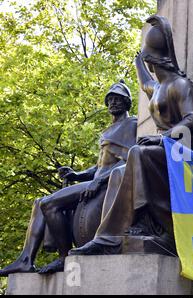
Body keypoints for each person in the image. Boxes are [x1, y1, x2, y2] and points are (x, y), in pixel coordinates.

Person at [69, 15, 193, 256]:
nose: (151, 69)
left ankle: (144, 222)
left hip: (179, 150)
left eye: (149, 61)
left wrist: (162, 137)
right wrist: (137, 62)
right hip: (162, 150)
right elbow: (144, 84)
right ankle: (109, 236)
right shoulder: (158, 87)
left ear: (156, 61)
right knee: (119, 172)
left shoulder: (180, 85)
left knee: (137, 152)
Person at [0, 81, 137, 275]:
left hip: (108, 184)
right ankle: (26, 259)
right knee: (40, 202)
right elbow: (100, 166)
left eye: (118, 99)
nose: (113, 103)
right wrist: (77, 174)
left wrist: (98, 181)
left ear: (127, 102)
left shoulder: (132, 124)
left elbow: (130, 160)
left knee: (49, 203)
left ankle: (64, 258)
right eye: (110, 100)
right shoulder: (108, 130)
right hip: (95, 180)